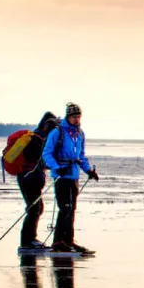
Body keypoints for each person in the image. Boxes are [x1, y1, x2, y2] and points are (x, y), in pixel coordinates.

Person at [40, 102, 98, 255]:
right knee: (65, 208)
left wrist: (89, 171)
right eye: (74, 117)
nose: (77, 120)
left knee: (71, 209)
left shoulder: (80, 134)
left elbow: (81, 156)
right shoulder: (57, 132)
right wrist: (56, 167)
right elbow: (47, 153)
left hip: (73, 176)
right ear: (68, 116)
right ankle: (59, 242)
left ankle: (68, 241)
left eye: (78, 117)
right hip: (61, 176)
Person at [16, 111, 61, 252]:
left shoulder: (39, 138)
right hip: (29, 178)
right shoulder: (37, 139)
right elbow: (40, 160)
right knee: (34, 208)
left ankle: (29, 240)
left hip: (31, 177)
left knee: (36, 208)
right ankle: (27, 242)